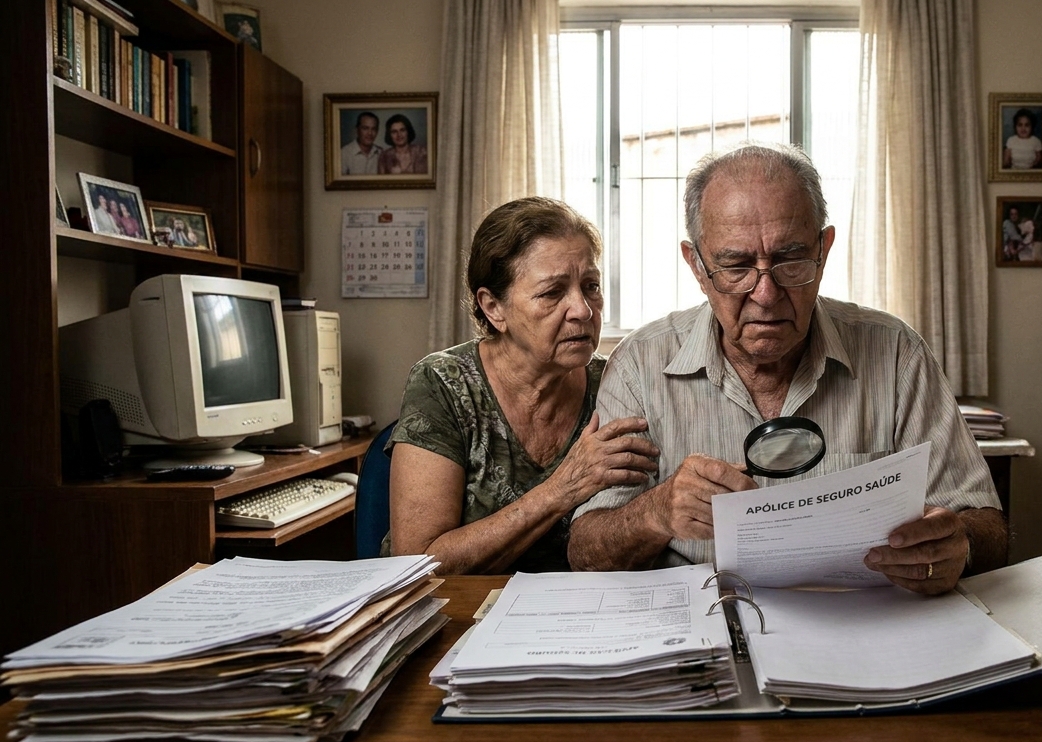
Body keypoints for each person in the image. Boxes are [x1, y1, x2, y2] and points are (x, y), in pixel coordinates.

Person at [567, 142, 1006, 595]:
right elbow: (586, 553)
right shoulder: (641, 365)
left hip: (863, 628)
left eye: (790, 260)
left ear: (824, 249)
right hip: (704, 631)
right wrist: (654, 513)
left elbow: (988, 525)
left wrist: (960, 544)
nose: (766, 294)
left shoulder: (896, 353)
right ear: (697, 266)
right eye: (736, 266)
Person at [387, 197, 660, 574]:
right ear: (493, 308)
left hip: (581, 612)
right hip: (461, 615)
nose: (583, 310)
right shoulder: (444, 383)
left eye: (591, 286)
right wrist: (561, 489)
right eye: (553, 293)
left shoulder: (617, 383)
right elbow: (418, 562)